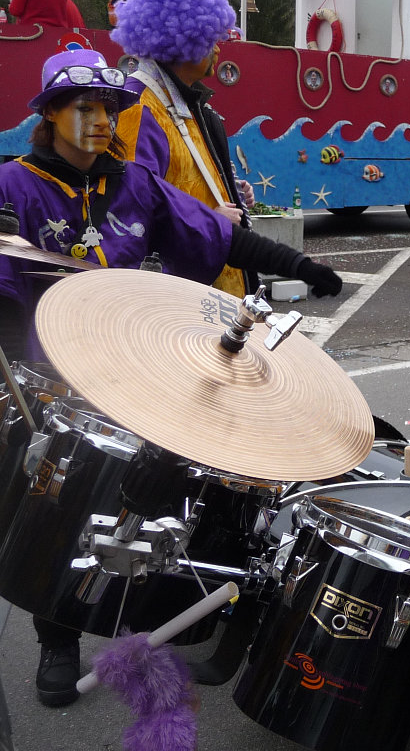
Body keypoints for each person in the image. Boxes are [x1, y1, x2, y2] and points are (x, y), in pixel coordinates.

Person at [0, 49, 342, 708]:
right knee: (60, 511)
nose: (102, 121)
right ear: (48, 116)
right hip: (44, 378)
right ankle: (58, 637)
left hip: (130, 374)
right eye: (86, 108)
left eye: (110, 108)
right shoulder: (11, 186)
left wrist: (301, 262)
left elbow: (215, 235)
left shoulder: (132, 185)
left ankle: (141, 604)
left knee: (139, 498)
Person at [110, 0, 255, 297]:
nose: (219, 48)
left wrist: (229, 190)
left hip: (209, 292)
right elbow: (130, 217)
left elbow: (182, 180)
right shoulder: (139, 108)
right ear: (180, 40)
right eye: (210, 37)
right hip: (180, 303)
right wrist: (211, 222)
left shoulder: (185, 103)